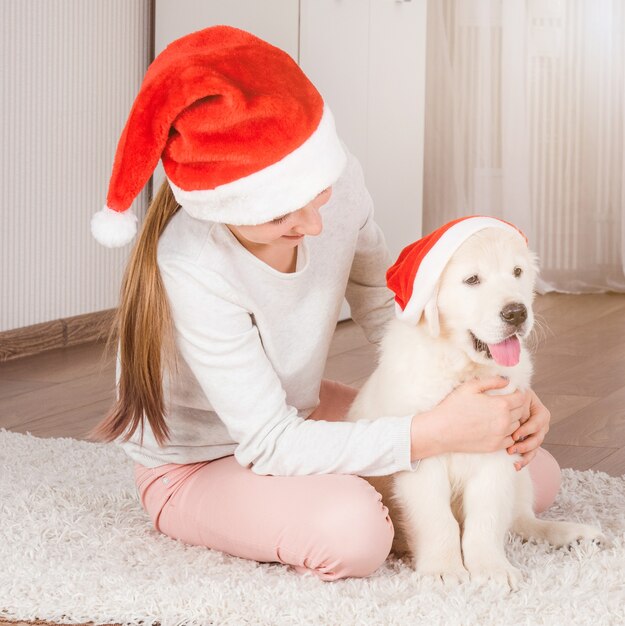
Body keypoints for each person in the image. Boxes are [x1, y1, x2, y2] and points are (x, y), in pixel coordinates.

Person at [90, 25, 558, 582]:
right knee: (355, 532)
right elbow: (268, 441)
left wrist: (506, 401)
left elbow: (394, 310)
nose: (316, 224)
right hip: (204, 461)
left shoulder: (333, 180)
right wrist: (433, 433)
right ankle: (376, 512)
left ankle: (405, 499)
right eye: (282, 216)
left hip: (299, 412)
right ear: (222, 208)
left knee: (533, 472)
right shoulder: (191, 263)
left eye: (318, 197)